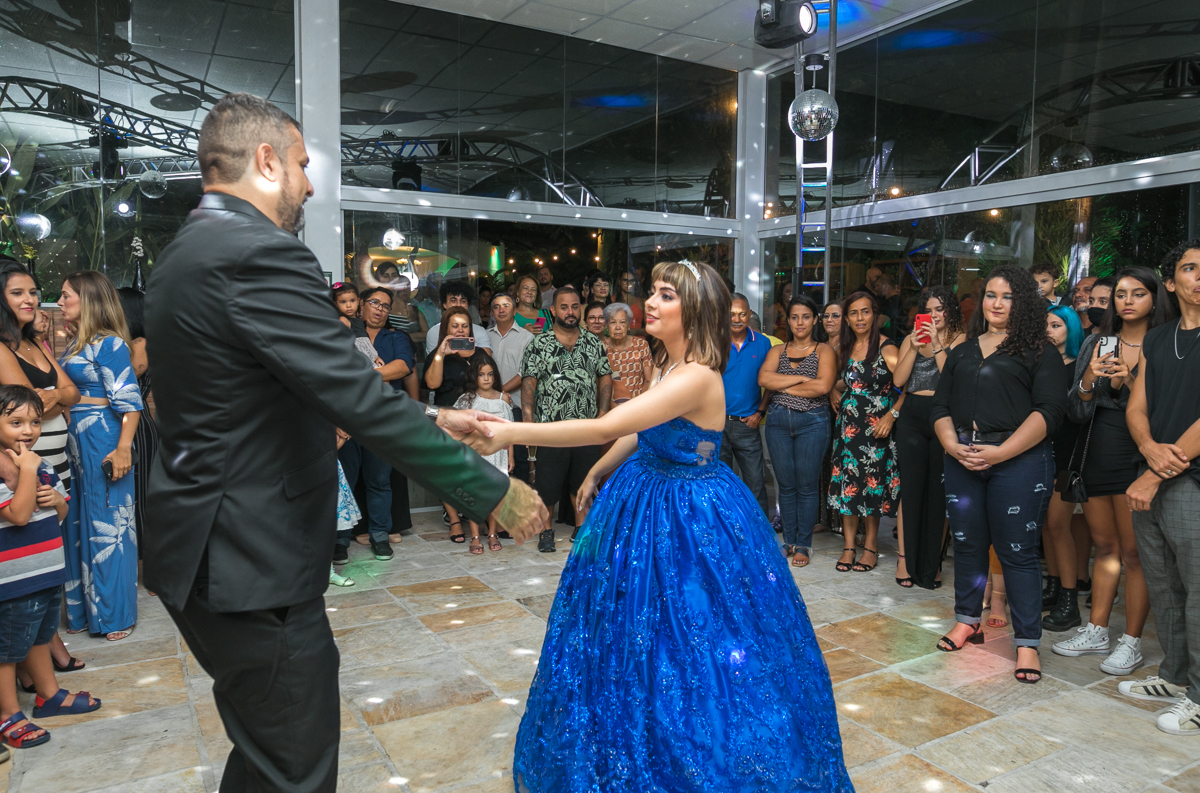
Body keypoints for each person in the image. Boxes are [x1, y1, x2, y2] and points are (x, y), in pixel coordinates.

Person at [144, 92, 546, 793]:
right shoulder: (258, 252)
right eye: (301, 164)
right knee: (296, 769)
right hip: (248, 559)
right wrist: (493, 489)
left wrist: (436, 418)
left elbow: (290, 391)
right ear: (265, 160)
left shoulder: (186, 251)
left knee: (265, 758)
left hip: (207, 547)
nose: (308, 182)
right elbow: (352, 397)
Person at [467, 260, 853, 793]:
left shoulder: (696, 375)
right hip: (644, 492)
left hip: (691, 510)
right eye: (653, 291)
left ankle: (695, 744)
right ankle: (631, 720)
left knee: (693, 631)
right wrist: (601, 469)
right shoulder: (666, 364)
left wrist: (508, 433)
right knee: (627, 623)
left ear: (692, 310)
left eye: (665, 295)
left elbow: (605, 424)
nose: (650, 302)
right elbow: (638, 430)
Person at [931, 265, 1068, 684]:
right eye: (990, 294)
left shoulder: (1039, 351)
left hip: (1020, 460)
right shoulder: (963, 351)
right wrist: (953, 445)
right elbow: (940, 408)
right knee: (968, 545)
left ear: (1022, 302)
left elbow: (1049, 412)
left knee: (1017, 552)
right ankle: (967, 619)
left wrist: (1001, 452)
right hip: (964, 457)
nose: (996, 303)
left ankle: (1026, 642)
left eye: (1006, 296)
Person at [1054, 267, 1174, 673]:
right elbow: (1075, 409)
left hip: (1138, 457)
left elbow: (1166, 412)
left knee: (1134, 553)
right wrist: (1088, 378)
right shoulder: (1095, 342)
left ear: (1154, 299)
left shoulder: (1165, 344)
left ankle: (1133, 641)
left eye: (1137, 293)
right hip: (1096, 450)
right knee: (1104, 549)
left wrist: (1130, 381)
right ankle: (1097, 629)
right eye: (1120, 293)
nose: (1126, 300)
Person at [1120, 239, 1200, 735]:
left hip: (1188, 479)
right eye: (1191, 268)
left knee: (1197, 591)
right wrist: (1148, 448)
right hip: (1151, 475)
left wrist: (1155, 469)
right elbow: (1136, 406)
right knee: (1164, 585)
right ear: (1172, 282)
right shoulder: (1159, 337)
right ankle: (1173, 676)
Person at [0, 385, 99, 750]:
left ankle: (48, 695)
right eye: (15, 422)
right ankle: (8, 715)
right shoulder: (22, 465)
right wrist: (27, 471)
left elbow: (60, 513)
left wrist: (57, 498)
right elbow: (20, 514)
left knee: (41, 636)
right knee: (7, 650)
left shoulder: (37, 463)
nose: (27, 430)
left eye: (34, 422)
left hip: (44, 573)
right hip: (13, 580)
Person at [0, 262, 84, 673]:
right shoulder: (0, 347)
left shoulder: (37, 343)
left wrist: (52, 395)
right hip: (24, 461)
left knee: (51, 545)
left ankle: (46, 651)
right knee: (29, 548)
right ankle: (43, 658)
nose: (30, 299)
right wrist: (52, 398)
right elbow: (28, 404)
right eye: (18, 292)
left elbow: (73, 391)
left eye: (33, 291)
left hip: (56, 460)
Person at [57, 271, 144, 642]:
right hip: (76, 444)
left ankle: (114, 614)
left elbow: (130, 400)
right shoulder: (75, 343)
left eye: (66, 296)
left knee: (111, 526)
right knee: (78, 522)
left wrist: (123, 447)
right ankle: (83, 613)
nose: (59, 303)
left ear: (88, 300)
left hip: (104, 439)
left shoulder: (110, 344)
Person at [521, 285, 612, 553]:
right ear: (553, 310)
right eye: (564, 307)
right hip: (551, 429)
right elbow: (529, 384)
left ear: (580, 309)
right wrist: (527, 420)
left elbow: (604, 376)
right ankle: (546, 532)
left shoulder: (593, 342)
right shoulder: (539, 344)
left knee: (583, 481)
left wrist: (603, 412)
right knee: (547, 484)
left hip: (586, 429)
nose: (570, 312)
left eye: (574, 306)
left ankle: (581, 529)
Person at [891, 286, 965, 589]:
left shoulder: (961, 340)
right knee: (910, 488)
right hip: (911, 415)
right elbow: (898, 381)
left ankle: (932, 563)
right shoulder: (911, 338)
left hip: (943, 415)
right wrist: (913, 344)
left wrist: (935, 343)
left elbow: (952, 377)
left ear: (950, 311)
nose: (934, 315)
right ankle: (904, 561)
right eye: (929, 309)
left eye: (940, 309)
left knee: (938, 491)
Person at [758, 295, 835, 566]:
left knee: (806, 485)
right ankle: (788, 541)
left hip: (813, 421)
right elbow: (763, 379)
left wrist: (782, 386)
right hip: (778, 421)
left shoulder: (823, 351)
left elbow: (823, 387)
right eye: (794, 317)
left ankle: (803, 544)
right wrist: (803, 378)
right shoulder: (777, 351)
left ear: (815, 320)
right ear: (788, 321)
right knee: (786, 486)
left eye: (805, 316)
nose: (799, 322)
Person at [829, 291, 900, 573]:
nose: (860, 318)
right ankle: (848, 546)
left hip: (876, 429)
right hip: (847, 428)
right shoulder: (844, 348)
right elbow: (844, 380)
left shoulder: (887, 348)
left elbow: (907, 386)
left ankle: (870, 546)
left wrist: (892, 416)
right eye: (854, 313)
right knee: (848, 487)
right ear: (847, 318)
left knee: (872, 487)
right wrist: (836, 389)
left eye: (866, 311)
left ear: (875, 314)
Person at [343, 287, 416, 559]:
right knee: (345, 482)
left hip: (383, 419)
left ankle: (379, 535)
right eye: (375, 303)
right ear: (361, 305)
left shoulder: (396, 337)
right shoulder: (344, 329)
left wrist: (363, 375)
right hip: (348, 419)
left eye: (386, 306)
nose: (380, 309)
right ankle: (339, 542)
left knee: (379, 480)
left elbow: (402, 367)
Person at [426, 307, 492, 544]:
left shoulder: (481, 355)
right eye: (455, 326)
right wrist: (442, 354)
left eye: (464, 326)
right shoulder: (437, 354)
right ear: (446, 329)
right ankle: (454, 520)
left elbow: (493, 384)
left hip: (476, 420)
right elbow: (432, 384)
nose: (460, 330)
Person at [1040, 305, 1086, 633]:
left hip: (1070, 457)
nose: (1049, 331)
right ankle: (1054, 587)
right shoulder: (1042, 363)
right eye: (1045, 325)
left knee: (1058, 525)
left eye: (1056, 325)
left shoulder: (1079, 368)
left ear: (1071, 330)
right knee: (1046, 525)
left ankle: (1070, 601)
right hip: (1043, 453)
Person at [117, 288, 160, 568]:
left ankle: (157, 565)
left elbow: (123, 380)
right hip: (128, 425)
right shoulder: (121, 342)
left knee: (144, 500)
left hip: (139, 428)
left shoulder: (141, 342)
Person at [453, 353, 513, 554]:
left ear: (495, 376)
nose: (486, 379)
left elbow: (510, 430)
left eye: (489, 374)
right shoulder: (467, 399)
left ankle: (493, 533)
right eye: (481, 375)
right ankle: (475, 535)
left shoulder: (503, 399)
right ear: (474, 377)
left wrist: (511, 455)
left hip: (499, 454)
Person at [721, 293, 772, 516]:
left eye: (742, 314)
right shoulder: (713, 341)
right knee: (716, 481)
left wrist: (760, 412)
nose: (737, 319)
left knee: (755, 482)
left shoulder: (762, 343)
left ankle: (761, 536)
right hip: (715, 425)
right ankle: (723, 531)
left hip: (747, 424)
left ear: (749, 314)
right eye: (731, 314)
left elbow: (771, 381)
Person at [487, 294, 533, 483]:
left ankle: (520, 504)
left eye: (506, 306)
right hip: (488, 406)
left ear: (514, 310)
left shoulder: (527, 337)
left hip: (516, 406)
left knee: (520, 457)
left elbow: (526, 372)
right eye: (496, 307)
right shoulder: (485, 336)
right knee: (492, 455)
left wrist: (499, 392)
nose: (501, 310)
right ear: (492, 312)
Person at [425, 282, 491, 356]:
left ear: (468, 305)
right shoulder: (434, 332)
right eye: (453, 300)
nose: (458, 305)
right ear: (444, 304)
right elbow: (432, 363)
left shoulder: (480, 331)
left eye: (463, 301)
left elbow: (486, 359)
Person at [602, 303, 652, 400]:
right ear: (607, 326)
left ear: (628, 325)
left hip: (638, 404)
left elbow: (648, 380)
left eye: (622, 322)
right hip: (610, 407)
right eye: (613, 322)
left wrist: (638, 404)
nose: (617, 327)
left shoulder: (641, 345)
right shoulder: (601, 348)